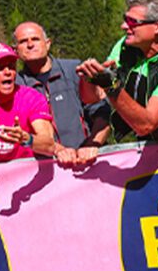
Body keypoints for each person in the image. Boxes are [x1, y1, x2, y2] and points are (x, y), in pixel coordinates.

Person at [79, 0, 158, 143]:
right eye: (125, 19)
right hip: (134, 146)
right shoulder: (125, 46)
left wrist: (111, 86)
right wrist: (89, 79)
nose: (124, 26)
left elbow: (146, 125)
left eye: (132, 22)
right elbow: (92, 98)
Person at [13, 21, 103, 164]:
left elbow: (102, 113)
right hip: (44, 168)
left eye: (35, 39)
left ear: (48, 44)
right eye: (23, 41)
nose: (30, 45)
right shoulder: (15, 86)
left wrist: (92, 144)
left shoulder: (74, 70)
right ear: (15, 50)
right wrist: (56, 150)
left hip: (86, 162)